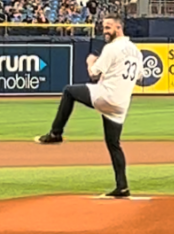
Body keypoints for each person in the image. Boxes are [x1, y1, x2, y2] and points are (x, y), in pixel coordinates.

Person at [36, 14, 143, 198]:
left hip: (105, 95)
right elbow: (140, 77)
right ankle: (122, 186)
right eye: (104, 27)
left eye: (108, 27)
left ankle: (56, 133)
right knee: (114, 144)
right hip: (121, 105)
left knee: (69, 91)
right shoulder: (137, 51)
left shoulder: (112, 48)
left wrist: (90, 61)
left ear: (119, 28)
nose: (105, 30)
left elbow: (93, 74)